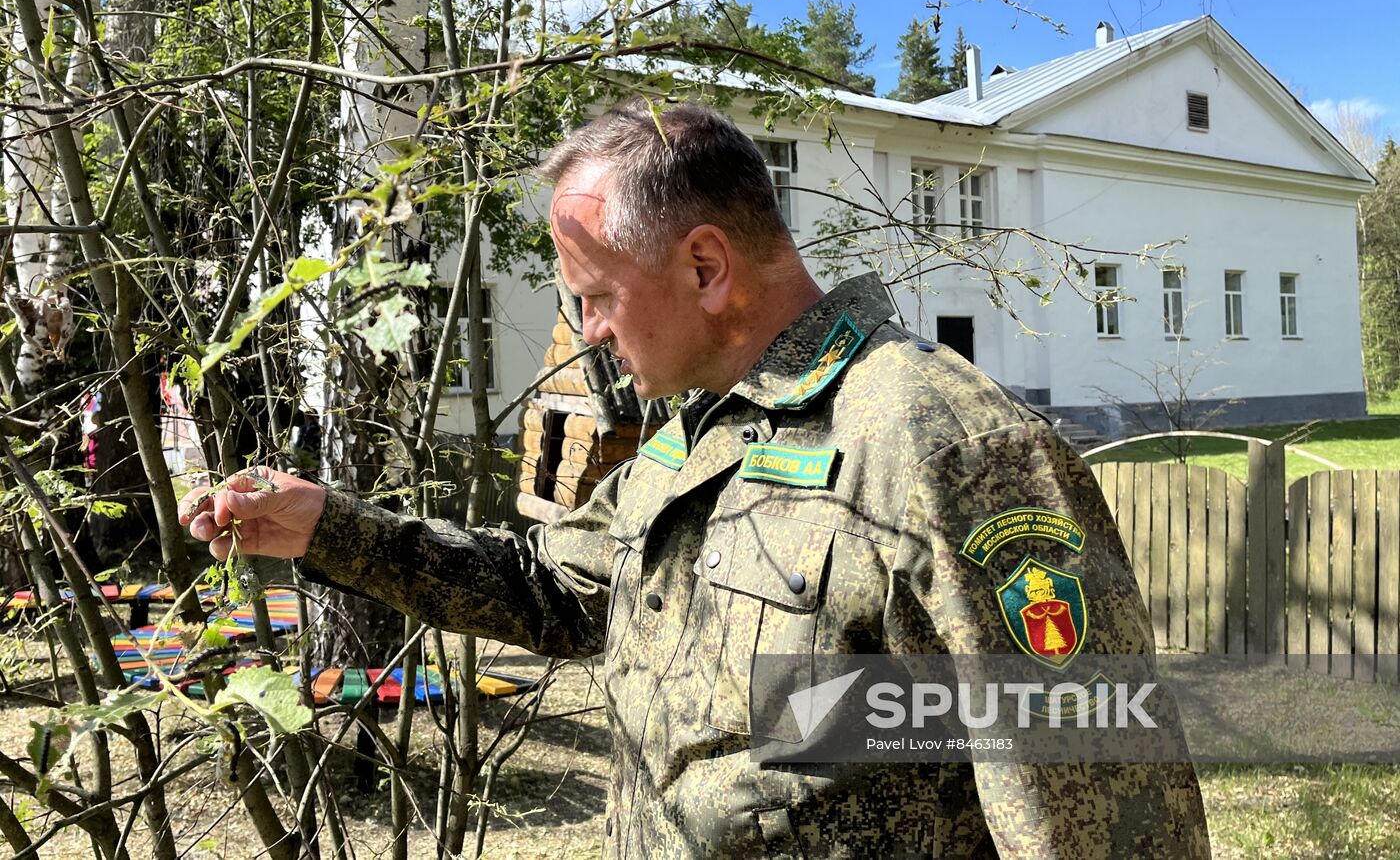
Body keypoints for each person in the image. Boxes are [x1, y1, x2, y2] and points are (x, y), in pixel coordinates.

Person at [182, 99, 1210, 858]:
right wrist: (329, 528)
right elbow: (556, 589)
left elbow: (1105, 815)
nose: (585, 330)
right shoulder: (689, 438)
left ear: (705, 266)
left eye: (595, 296)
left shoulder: (935, 442)